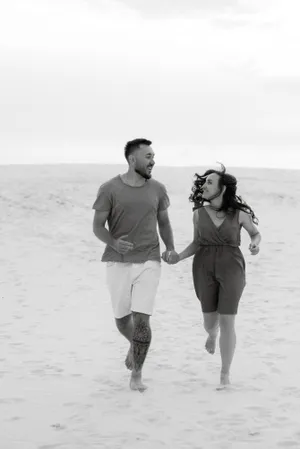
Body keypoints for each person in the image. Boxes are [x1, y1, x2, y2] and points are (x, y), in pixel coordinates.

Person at [162, 164, 261, 389]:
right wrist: (178, 257)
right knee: (210, 321)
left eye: (209, 182)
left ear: (223, 188)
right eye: (204, 182)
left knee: (228, 319)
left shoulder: (240, 214)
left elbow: (255, 234)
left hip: (232, 266)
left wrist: (254, 244)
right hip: (203, 266)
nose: (203, 185)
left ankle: (225, 374)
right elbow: (197, 242)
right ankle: (212, 334)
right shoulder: (198, 214)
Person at [92, 138, 176, 392]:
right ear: (132, 159)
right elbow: (97, 227)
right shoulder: (109, 189)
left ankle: (137, 374)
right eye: (148, 156)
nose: (153, 161)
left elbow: (164, 222)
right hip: (117, 262)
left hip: (149, 259)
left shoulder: (158, 189)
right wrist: (115, 243)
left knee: (142, 321)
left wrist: (170, 248)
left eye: (153, 156)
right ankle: (135, 345)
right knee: (121, 320)